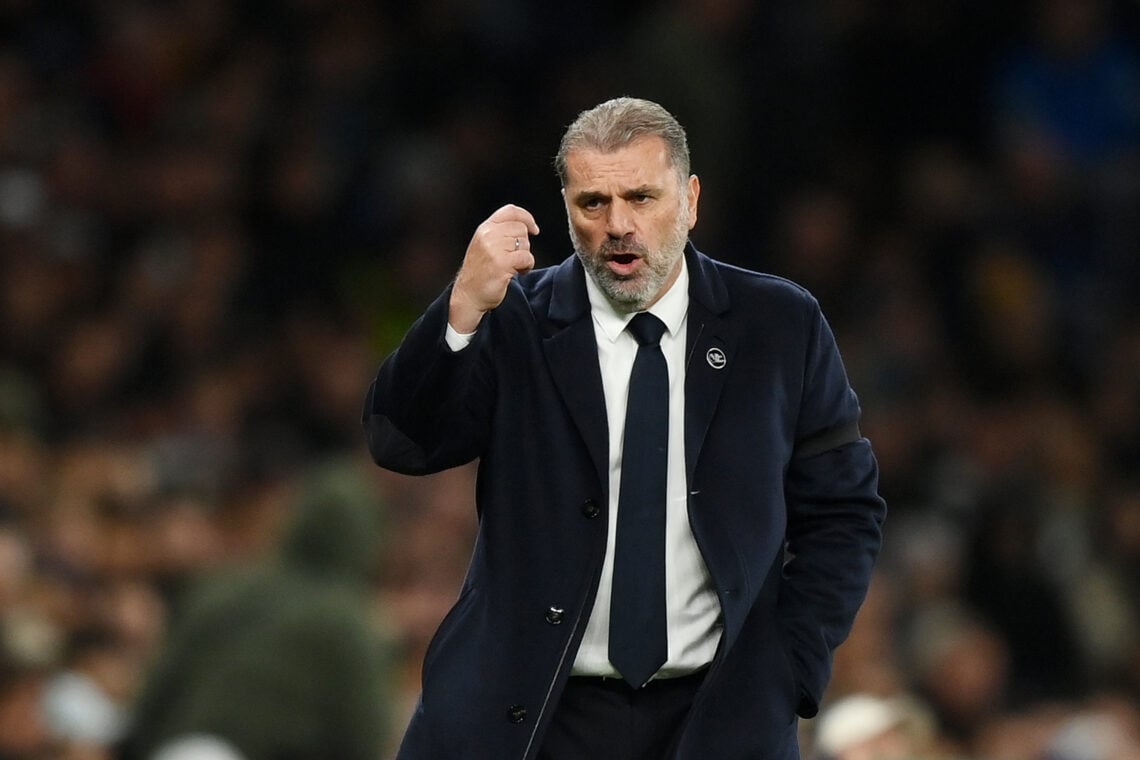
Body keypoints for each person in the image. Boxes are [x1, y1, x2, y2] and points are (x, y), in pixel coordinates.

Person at [363, 97, 886, 759]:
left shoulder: (779, 326)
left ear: (690, 200)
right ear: (566, 208)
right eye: (593, 203)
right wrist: (462, 304)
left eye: (642, 197)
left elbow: (844, 509)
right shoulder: (515, 318)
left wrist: (789, 665)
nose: (618, 225)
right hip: (531, 715)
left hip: (716, 719)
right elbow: (400, 440)